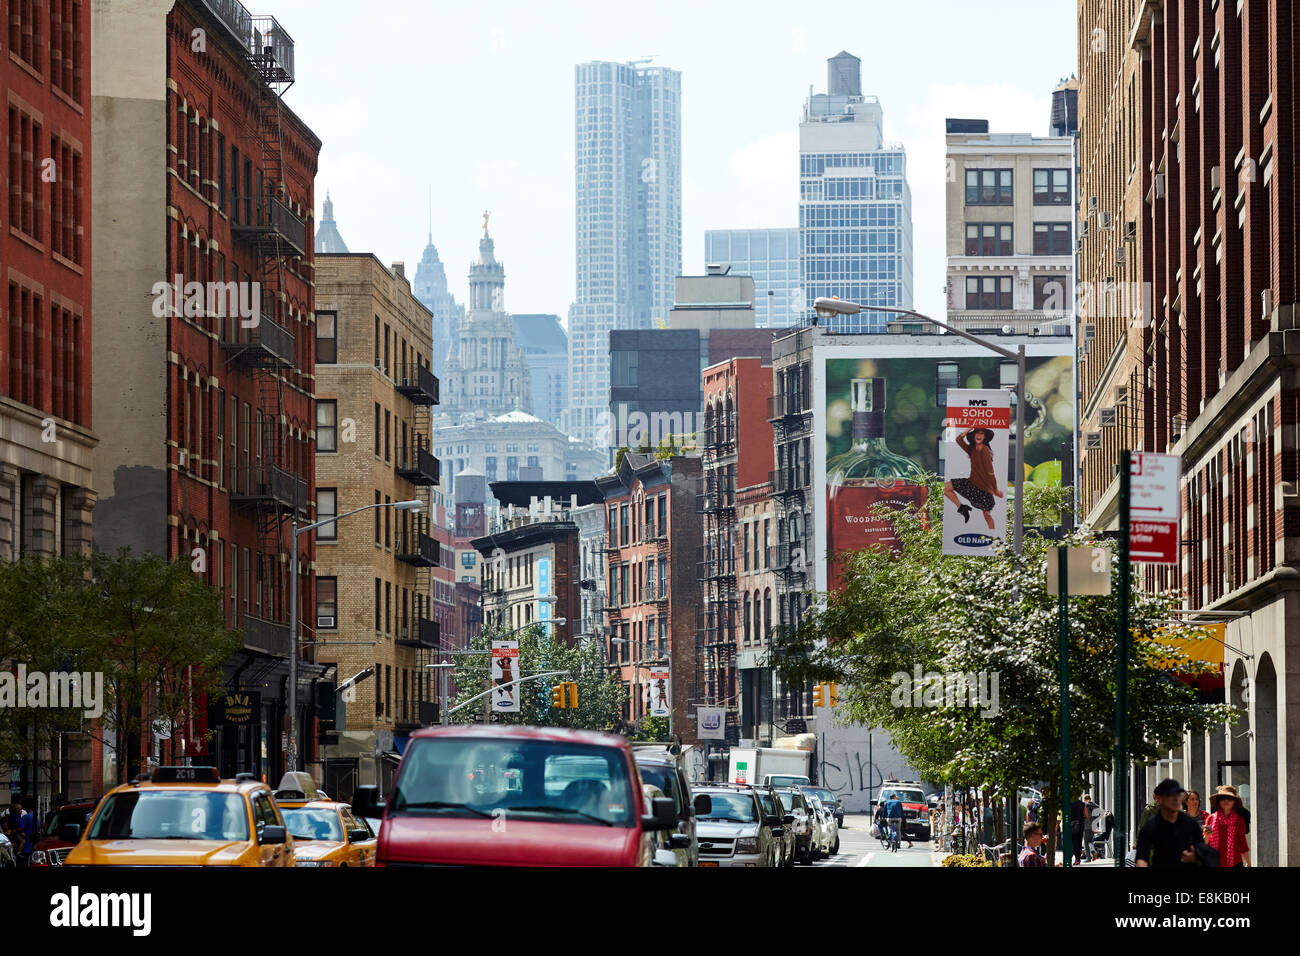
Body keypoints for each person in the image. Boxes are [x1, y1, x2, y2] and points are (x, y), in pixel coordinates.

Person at [1134, 778, 1206, 867]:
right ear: (1159, 799)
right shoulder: (1151, 826)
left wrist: (1195, 856)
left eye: (1178, 795)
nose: (1175, 798)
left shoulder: (1190, 824)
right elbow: (1141, 857)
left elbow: (1202, 851)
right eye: (1170, 795)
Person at [944, 427, 1003, 530]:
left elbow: (990, 472)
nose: (979, 436)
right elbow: (959, 440)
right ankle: (962, 508)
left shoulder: (985, 450)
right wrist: (969, 428)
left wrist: (995, 489)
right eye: (976, 433)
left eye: (981, 434)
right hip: (971, 485)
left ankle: (994, 536)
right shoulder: (972, 449)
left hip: (984, 490)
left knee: (987, 515)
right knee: (946, 488)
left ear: (985, 437)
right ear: (973, 436)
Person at [1204, 786, 1250, 868]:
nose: (1226, 801)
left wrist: (1248, 863)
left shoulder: (1239, 820)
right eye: (1223, 798)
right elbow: (1204, 844)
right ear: (1219, 802)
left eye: (1229, 798)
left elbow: (1242, 843)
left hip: (1235, 863)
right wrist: (1207, 836)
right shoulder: (1210, 819)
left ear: (1234, 802)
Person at [4, 794, 35, 867]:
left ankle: (17, 849)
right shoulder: (22, 815)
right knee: (23, 841)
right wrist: (22, 832)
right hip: (18, 833)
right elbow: (20, 826)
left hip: (12, 833)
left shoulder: (8, 813)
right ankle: (19, 852)